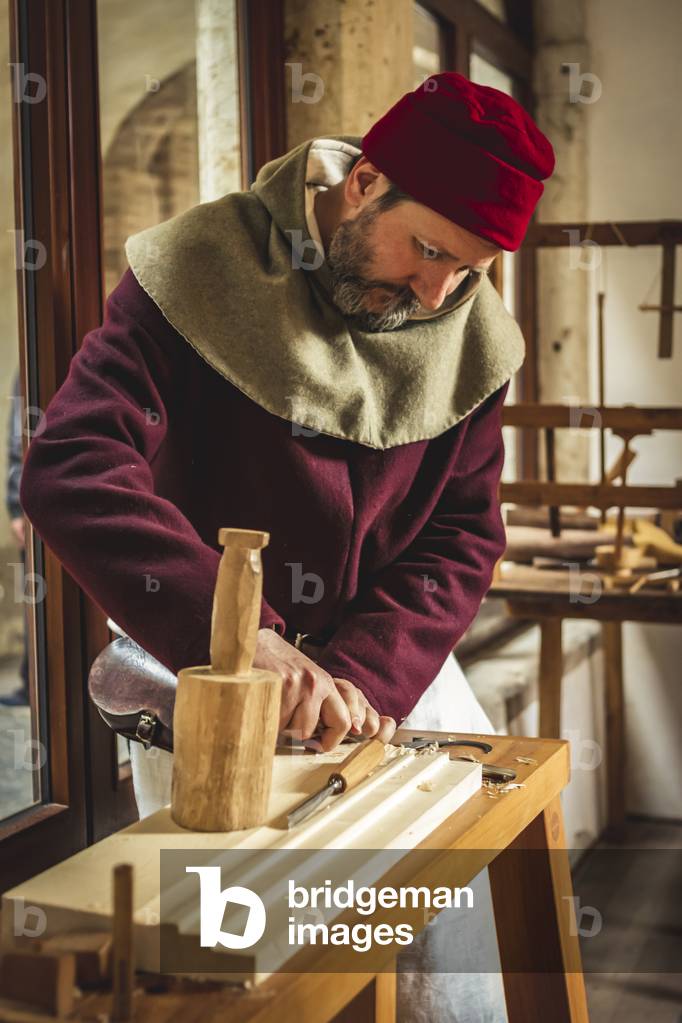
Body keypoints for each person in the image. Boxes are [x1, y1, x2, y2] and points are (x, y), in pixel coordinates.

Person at [19, 72, 555, 1020]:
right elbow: (73, 466)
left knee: (445, 961)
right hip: (212, 670)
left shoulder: (467, 324)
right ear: (363, 183)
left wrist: (357, 680)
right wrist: (244, 640)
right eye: (427, 248)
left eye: (468, 271)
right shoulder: (193, 269)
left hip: (389, 674)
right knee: (237, 967)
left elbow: (462, 534)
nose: (437, 293)